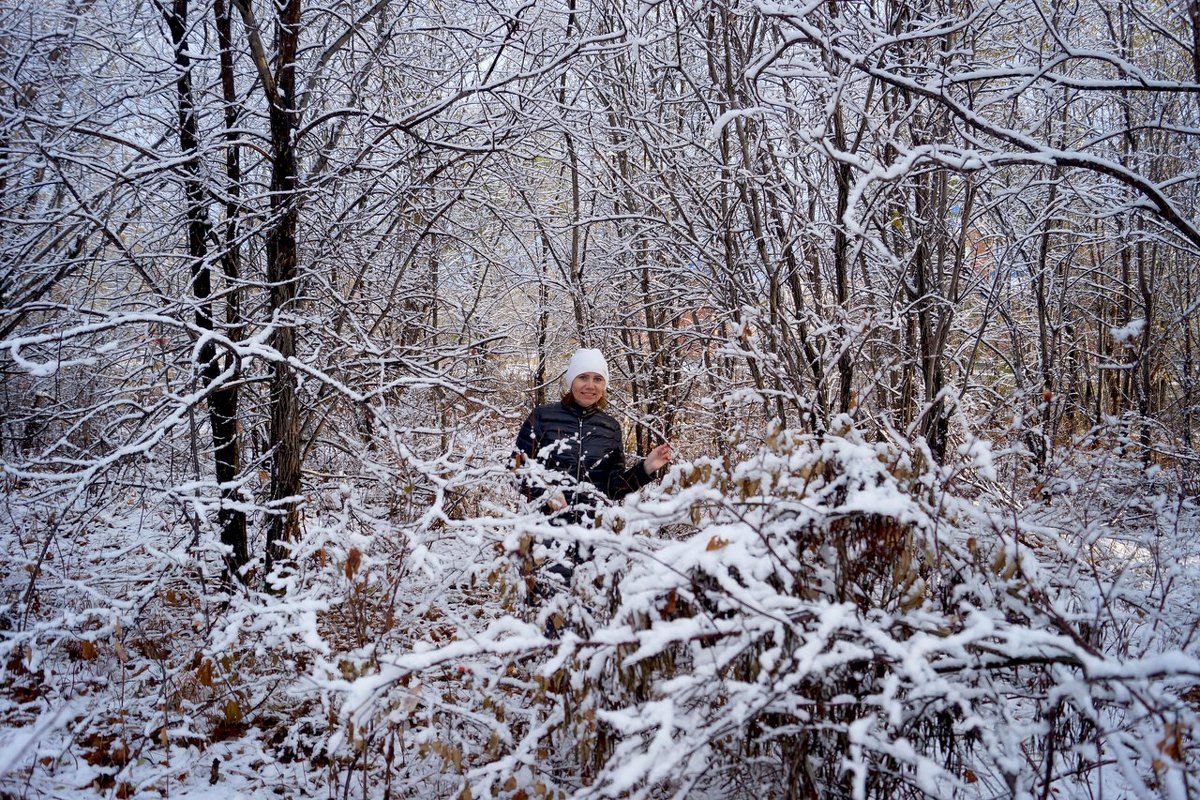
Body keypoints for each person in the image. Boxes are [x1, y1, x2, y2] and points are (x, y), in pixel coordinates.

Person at [512, 348, 673, 584]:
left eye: (598, 379)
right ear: (571, 381)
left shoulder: (610, 428)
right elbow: (516, 470)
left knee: (588, 607)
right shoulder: (542, 417)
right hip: (547, 532)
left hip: (593, 534)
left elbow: (612, 488)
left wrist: (646, 468)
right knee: (550, 607)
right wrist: (546, 493)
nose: (590, 385)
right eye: (583, 377)